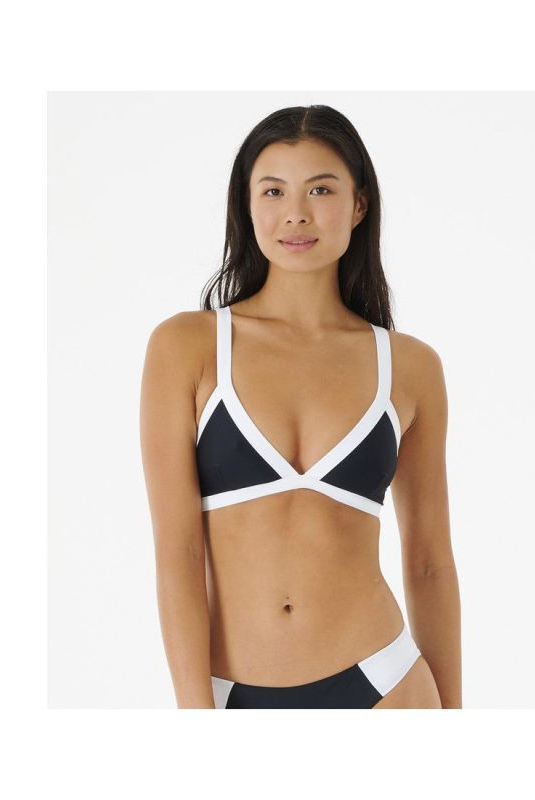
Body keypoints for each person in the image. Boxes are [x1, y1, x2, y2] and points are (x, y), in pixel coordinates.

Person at [139, 105, 461, 708]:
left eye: (320, 189)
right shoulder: (187, 347)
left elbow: (429, 564)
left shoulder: (411, 366)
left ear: (359, 205)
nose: (296, 212)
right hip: (231, 691)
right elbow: (177, 552)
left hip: (386, 684)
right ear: (247, 205)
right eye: (273, 191)